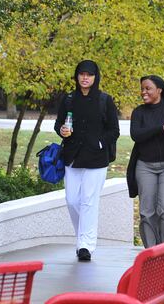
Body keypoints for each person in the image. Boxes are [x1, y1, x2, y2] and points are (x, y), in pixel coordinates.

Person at [54, 60, 119, 261]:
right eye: (81, 74)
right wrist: (62, 131)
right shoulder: (69, 99)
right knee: (72, 200)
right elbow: (59, 124)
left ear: (95, 77)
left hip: (96, 158)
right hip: (72, 157)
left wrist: (100, 143)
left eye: (89, 75)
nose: (85, 78)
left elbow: (114, 131)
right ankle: (82, 237)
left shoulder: (104, 100)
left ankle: (86, 246)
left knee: (89, 202)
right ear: (76, 76)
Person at [127, 75, 164, 247]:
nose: (143, 92)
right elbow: (136, 135)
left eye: (148, 88)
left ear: (159, 90)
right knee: (147, 212)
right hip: (145, 166)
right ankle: (151, 253)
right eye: (142, 89)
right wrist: (160, 128)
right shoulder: (139, 112)